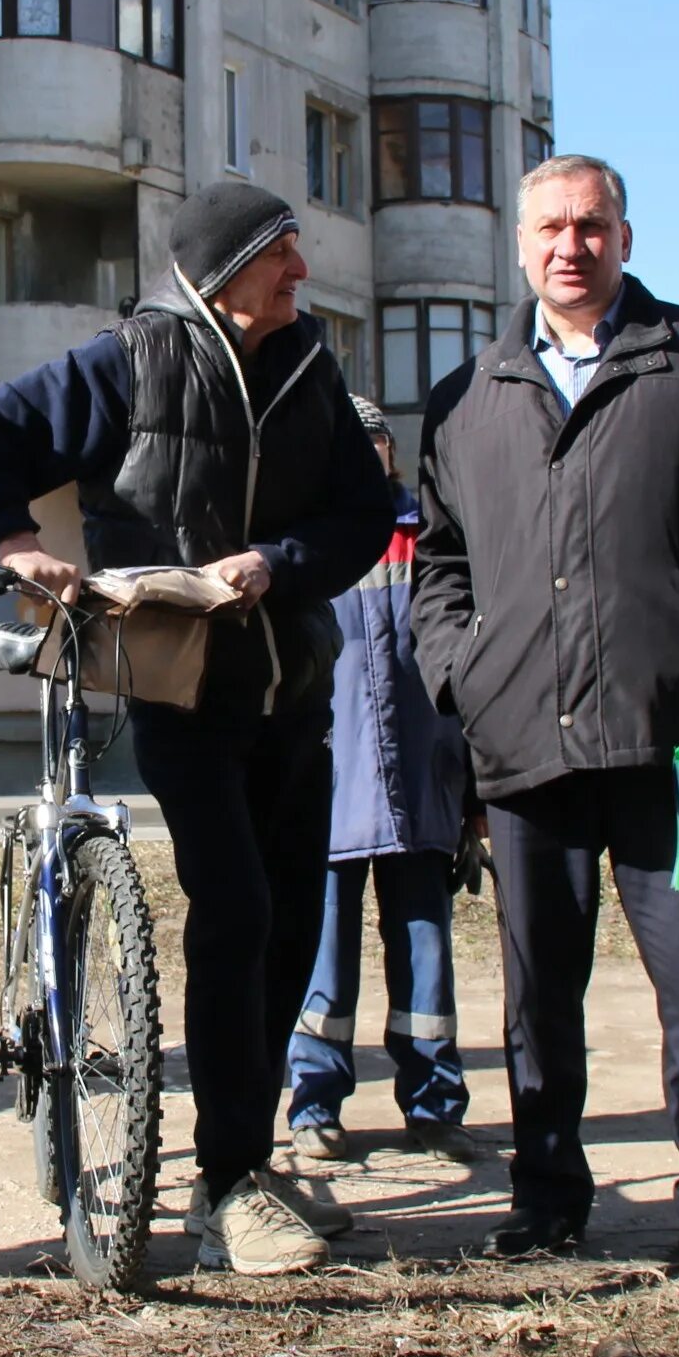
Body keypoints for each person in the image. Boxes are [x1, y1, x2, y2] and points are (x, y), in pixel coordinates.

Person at [0, 181, 394, 1275]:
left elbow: (363, 514)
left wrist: (276, 564)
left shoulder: (310, 367)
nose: (300, 274)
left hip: (295, 684)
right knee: (232, 908)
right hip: (179, 683)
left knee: (290, 921)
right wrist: (15, 544)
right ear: (222, 269)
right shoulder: (130, 362)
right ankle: (226, 1183)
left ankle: (249, 1153)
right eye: (282, 255)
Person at [411, 154, 679, 1268]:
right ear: (520, 241)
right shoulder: (467, 395)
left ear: (625, 237)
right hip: (521, 738)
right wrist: (459, 673)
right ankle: (546, 1199)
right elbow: (439, 565)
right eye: (549, 227)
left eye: (591, 226)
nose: (569, 247)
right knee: (539, 995)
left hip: (671, 730)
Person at [286, 395, 476, 1166]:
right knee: (319, 961)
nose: (366, 458)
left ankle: (434, 1105)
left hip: (423, 793)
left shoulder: (426, 539)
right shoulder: (303, 547)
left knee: (424, 962)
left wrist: (474, 791)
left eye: (374, 444)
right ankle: (314, 1106)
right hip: (326, 794)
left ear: (390, 452)